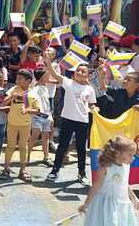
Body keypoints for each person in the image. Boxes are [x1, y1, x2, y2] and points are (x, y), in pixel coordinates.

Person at [46, 52, 97, 185]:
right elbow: (55, 74)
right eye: (78, 70)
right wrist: (48, 62)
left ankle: (82, 173)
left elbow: (92, 104)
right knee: (62, 146)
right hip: (67, 119)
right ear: (74, 73)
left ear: (88, 76)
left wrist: (94, 109)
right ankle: (55, 170)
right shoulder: (68, 82)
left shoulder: (90, 89)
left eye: (83, 71)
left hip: (82, 121)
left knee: (81, 148)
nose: (80, 72)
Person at [79, 135, 139, 226]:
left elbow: (124, 184)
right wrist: (86, 204)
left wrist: (134, 198)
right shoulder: (106, 168)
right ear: (118, 154)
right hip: (106, 205)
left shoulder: (126, 166)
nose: (133, 158)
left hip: (122, 203)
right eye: (130, 155)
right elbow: (96, 186)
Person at [2, 70, 39, 182]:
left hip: (25, 124)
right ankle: (6, 168)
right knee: (10, 146)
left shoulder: (33, 93)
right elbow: (4, 102)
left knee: (23, 147)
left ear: (28, 80)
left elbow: (37, 110)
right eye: (17, 78)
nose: (17, 80)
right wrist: (11, 97)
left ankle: (23, 170)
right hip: (12, 123)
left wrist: (28, 110)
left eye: (20, 79)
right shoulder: (13, 89)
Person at [29, 69, 58, 166]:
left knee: (46, 137)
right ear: (42, 77)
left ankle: (46, 156)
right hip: (37, 116)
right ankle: (26, 155)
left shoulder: (45, 88)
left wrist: (50, 116)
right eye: (47, 76)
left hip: (46, 116)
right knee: (35, 136)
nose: (49, 78)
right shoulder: (34, 89)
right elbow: (28, 99)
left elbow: (46, 103)